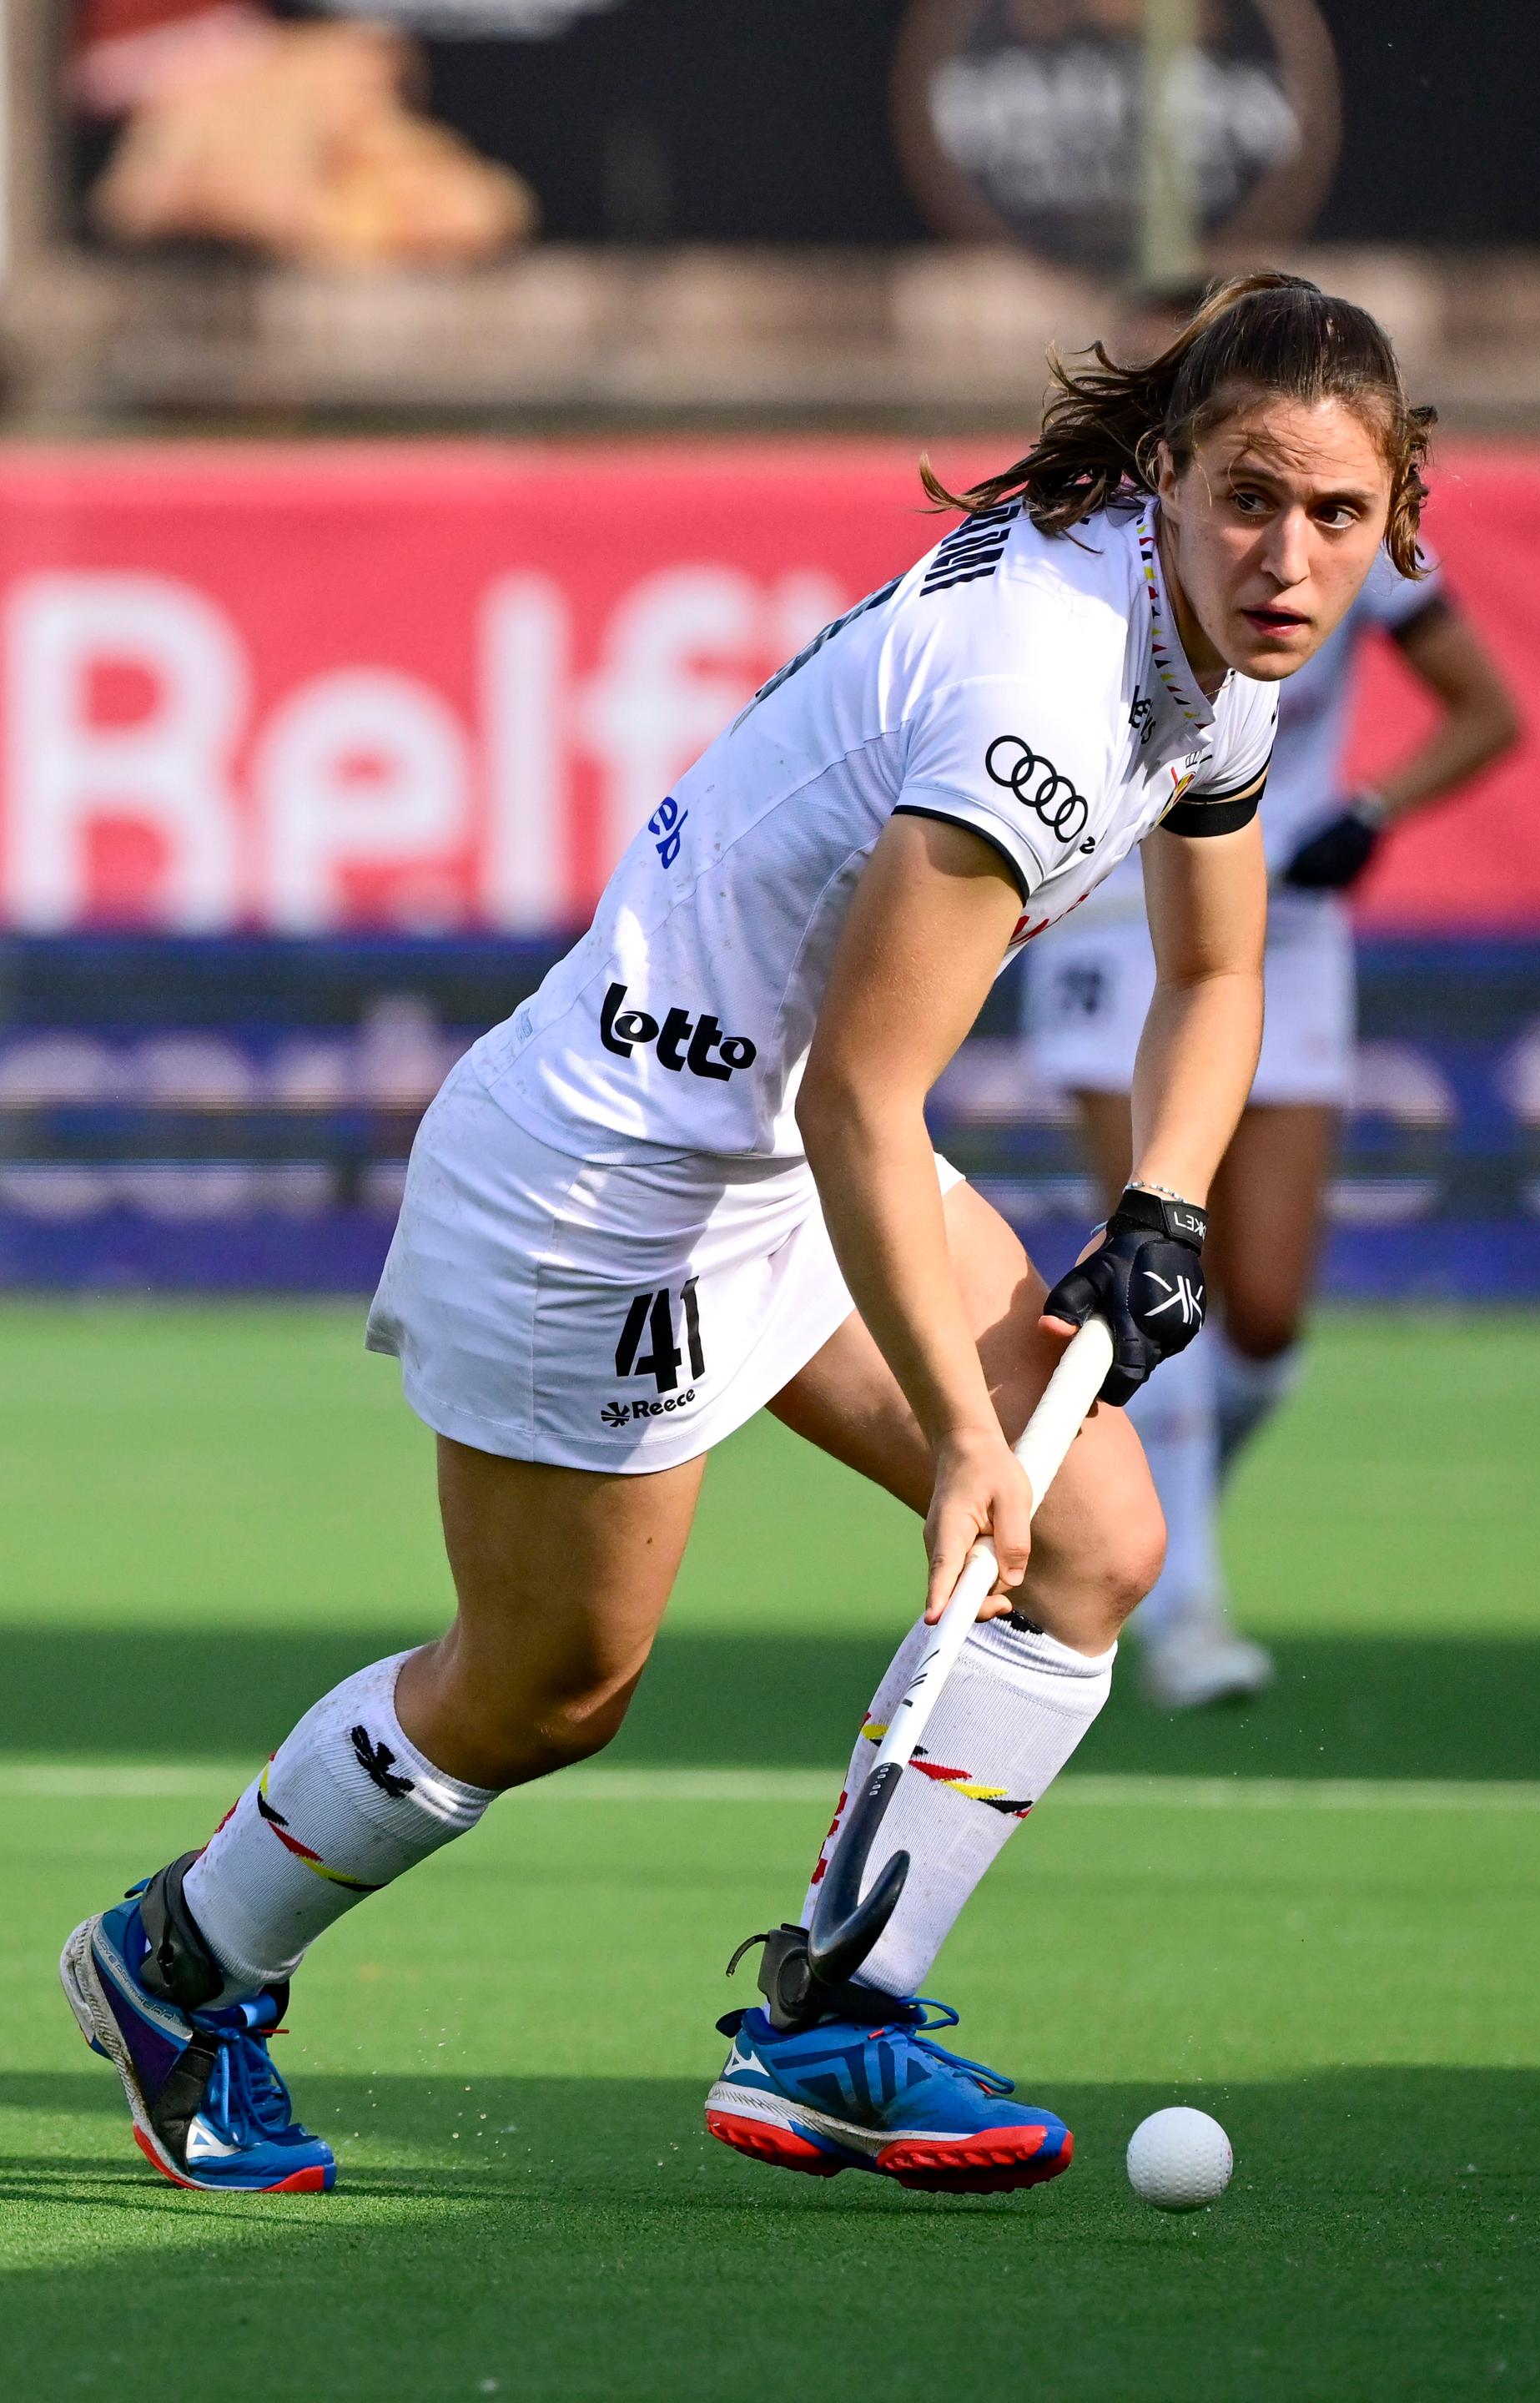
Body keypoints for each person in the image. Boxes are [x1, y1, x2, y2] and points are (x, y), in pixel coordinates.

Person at [62, 271, 1434, 2197]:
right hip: (607, 1181)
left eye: (1338, 516)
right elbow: (864, 1094)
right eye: (1248, 499)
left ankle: (835, 2024)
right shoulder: (1038, 703)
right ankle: (179, 1959)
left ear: (1400, 519)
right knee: (547, 1689)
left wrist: (1166, 1204)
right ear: (1170, 473)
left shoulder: (1211, 648)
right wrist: (965, 1434)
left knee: (1098, 1540)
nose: (1288, 557)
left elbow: (1218, 973)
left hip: (779, 1162)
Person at [1021, 426, 1519, 1710]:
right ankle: (1182, 1613)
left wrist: (1371, 811)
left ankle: (1160, 1523)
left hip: (1278, 926)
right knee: (1148, 1248)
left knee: (1270, 1310)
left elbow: (1488, 710)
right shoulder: (1087, 537)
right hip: (1113, 919)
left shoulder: (1343, 535)